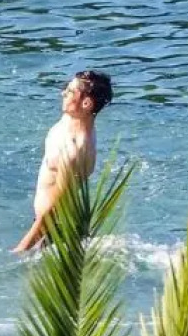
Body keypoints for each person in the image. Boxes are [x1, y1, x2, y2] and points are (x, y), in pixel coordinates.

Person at [13, 70, 114, 253]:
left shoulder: (74, 149)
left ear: (86, 103)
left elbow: (52, 211)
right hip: (54, 224)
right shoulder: (74, 119)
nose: (63, 94)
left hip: (53, 230)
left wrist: (22, 248)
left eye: (69, 92)